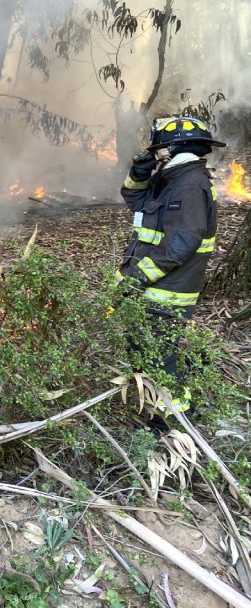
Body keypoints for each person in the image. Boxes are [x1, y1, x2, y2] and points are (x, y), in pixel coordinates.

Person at [115, 115, 224, 416]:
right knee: (144, 350)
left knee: (159, 357)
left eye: (159, 149)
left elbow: (181, 244)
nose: (157, 154)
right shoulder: (173, 178)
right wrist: (139, 173)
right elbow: (135, 199)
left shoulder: (189, 185)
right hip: (156, 288)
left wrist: (137, 278)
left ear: (172, 148)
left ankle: (173, 418)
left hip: (167, 292)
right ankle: (153, 404)